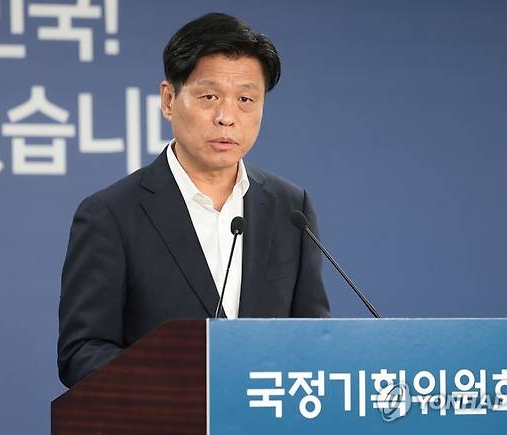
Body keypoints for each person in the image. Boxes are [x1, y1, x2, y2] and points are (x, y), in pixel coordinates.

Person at [57, 12, 330, 388]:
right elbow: (82, 352)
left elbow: (314, 342)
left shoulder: (291, 208)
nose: (227, 117)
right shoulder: (110, 215)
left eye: (246, 99)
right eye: (209, 96)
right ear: (169, 100)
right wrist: (177, 387)